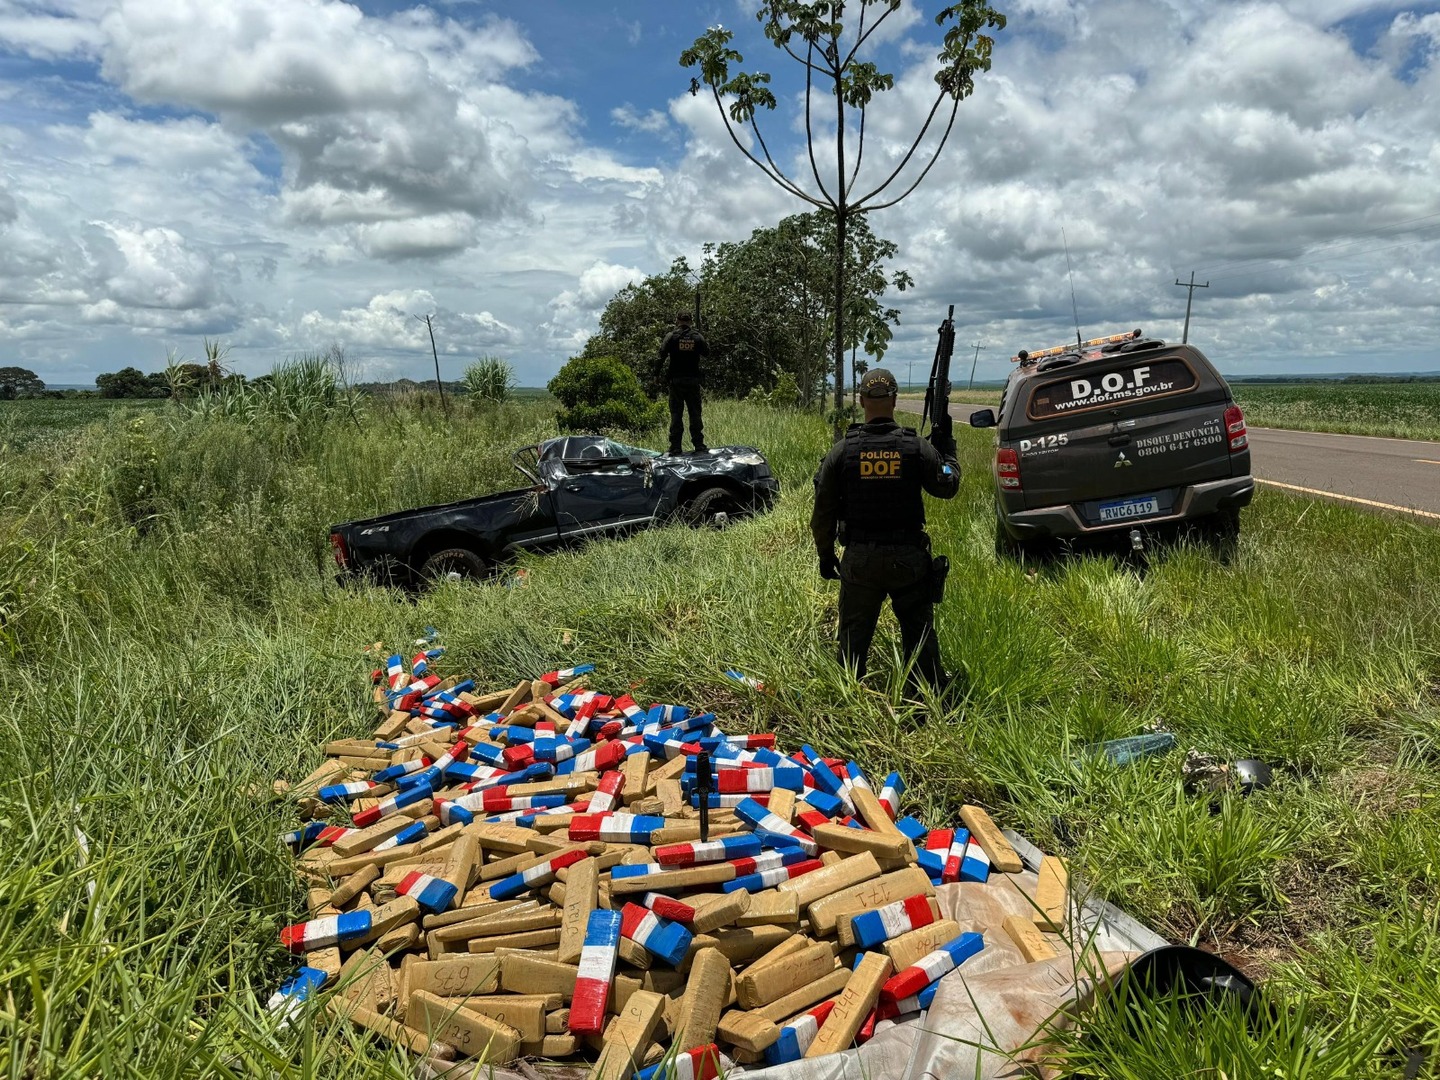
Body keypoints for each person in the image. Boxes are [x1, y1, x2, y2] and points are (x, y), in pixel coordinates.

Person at [811, 367, 961, 693]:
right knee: (919, 636)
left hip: (860, 559)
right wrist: (948, 452)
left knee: (852, 641)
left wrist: (826, 556)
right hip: (908, 560)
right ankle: (927, 702)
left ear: (862, 401)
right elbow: (947, 484)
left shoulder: (842, 451)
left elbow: (822, 513)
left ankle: (848, 701)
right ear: (894, 400)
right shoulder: (917, 447)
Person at [659, 311, 710, 455]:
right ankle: (699, 444)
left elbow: (661, 355)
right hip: (693, 381)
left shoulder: (671, 336)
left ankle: (675, 446)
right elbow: (707, 352)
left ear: (677, 320)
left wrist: (656, 374)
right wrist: (698, 339)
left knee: (676, 414)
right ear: (691, 321)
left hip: (676, 381)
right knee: (695, 413)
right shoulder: (697, 336)